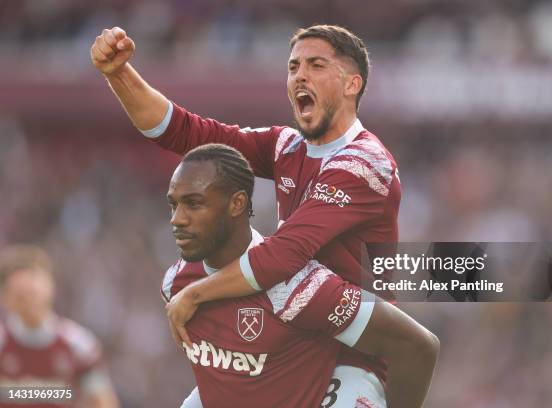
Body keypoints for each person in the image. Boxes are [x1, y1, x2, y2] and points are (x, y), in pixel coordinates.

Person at [91, 24, 404, 401]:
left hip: (349, 356)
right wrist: (120, 74)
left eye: (316, 65)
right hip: (284, 346)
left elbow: (283, 255)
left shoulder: (365, 162)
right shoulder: (286, 146)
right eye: (293, 67)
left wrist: (197, 293)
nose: (300, 74)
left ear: (352, 84)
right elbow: (183, 131)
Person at [163, 144, 438, 407]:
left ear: (236, 204)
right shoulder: (175, 283)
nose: (177, 219)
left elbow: (417, 345)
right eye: (173, 205)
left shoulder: (295, 287)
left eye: (194, 204)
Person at [0, 245, 119, 408]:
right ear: (7, 299)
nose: (30, 303)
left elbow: (103, 401)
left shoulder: (80, 345)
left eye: (33, 293)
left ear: (51, 287)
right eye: (21, 296)